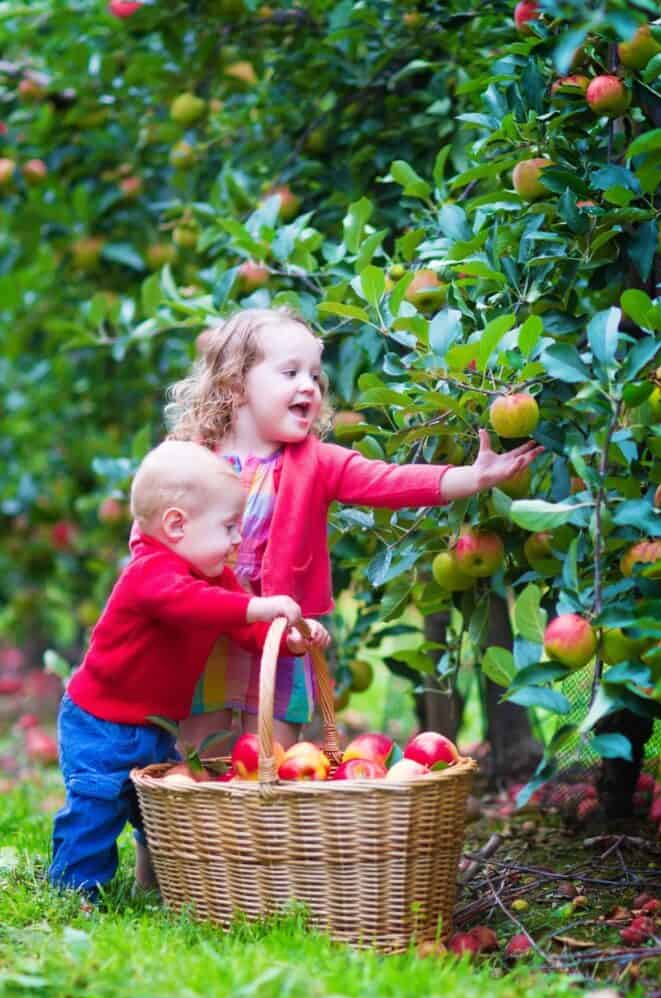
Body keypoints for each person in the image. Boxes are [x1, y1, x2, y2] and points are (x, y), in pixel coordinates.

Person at [162, 307, 543, 755]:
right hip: (207, 629)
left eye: (315, 376)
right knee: (202, 754)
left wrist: (472, 478)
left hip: (280, 634)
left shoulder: (315, 462)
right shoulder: (189, 459)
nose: (309, 384)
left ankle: (265, 828)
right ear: (234, 383)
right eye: (290, 372)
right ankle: (200, 827)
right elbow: (151, 531)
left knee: (271, 760)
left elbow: (389, 480)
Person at [49, 440, 330, 897]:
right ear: (177, 525)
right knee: (96, 805)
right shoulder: (149, 574)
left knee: (158, 809)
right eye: (228, 527)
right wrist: (259, 607)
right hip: (100, 723)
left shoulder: (214, 574)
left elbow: (238, 623)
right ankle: (75, 892)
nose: (238, 539)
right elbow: (194, 605)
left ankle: (166, 885)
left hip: (155, 727)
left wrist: (290, 641)